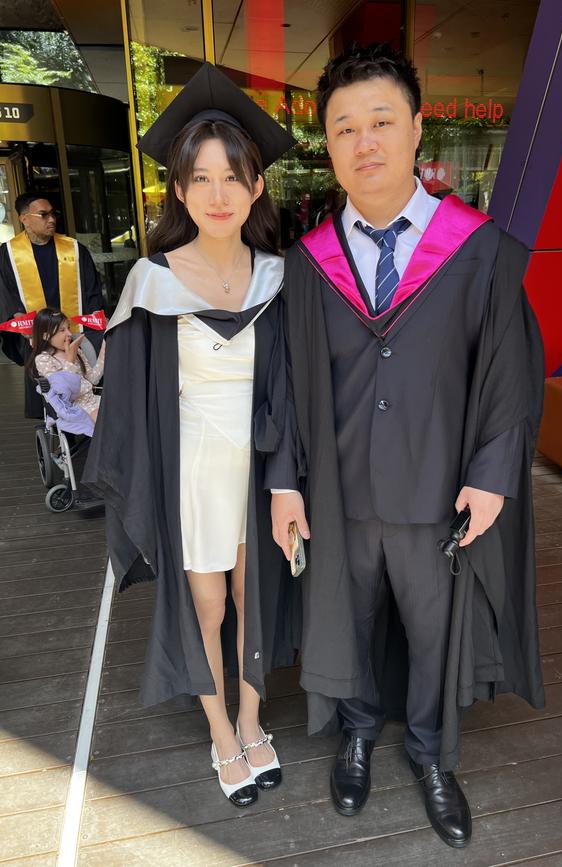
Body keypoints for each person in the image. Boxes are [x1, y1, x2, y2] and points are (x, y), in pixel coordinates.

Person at [267, 44, 545, 848]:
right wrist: (286, 481)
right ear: (329, 143)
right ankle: (357, 733)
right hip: (340, 495)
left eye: (382, 121)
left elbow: (506, 368)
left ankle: (430, 752)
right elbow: (285, 383)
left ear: (418, 129)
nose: (365, 142)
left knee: (433, 633)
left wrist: (492, 474)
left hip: (437, 496)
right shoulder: (308, 264)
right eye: (345, 127)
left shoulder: (477, 250)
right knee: (349, 621)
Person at [84, 63, 299, 808]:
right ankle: (219, 732)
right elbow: (132, 405)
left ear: (256, 187)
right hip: (192, 467)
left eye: (231, 177)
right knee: (206, 605)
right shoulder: (152, 283)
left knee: (254, 597)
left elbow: (291, 391)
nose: (216, 194)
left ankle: (251, 716)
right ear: (178, 190)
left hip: (258, 464)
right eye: (199, 178)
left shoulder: (278, 279)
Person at [0, 194, 104, 417]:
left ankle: (89, 411)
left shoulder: (75, 250)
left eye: (53, 214)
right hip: (36, 333)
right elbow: (5, 296)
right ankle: (53, 416)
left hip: (73, 329)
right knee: (44, 373)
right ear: (24, 219)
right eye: (43, 214)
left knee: (87, 362)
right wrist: (24, 325)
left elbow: (92, 291)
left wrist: (94, 317)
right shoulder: (7, 255)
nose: (51, 219)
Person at [27, 308, 105, 422]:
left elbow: (92, 379)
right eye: (62, 330)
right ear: (46, 336)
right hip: (74, 409)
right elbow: (63, 395)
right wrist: (70, 360)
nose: (69, 334)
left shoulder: (76, 351)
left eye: (68, 328)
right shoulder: (43, 359)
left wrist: (105, 348)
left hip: (93, 400)